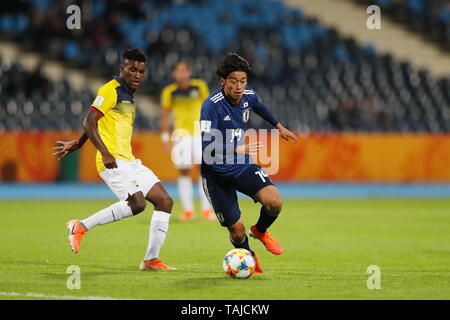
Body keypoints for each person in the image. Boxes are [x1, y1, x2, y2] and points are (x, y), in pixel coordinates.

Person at [53, 48, 176, 270]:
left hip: (129, 160)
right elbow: (89, 121)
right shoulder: (111, 90)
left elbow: (100, 120)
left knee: (165, 202)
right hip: (111, 161)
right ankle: (80, 226)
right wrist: (104, 152)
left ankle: (151, 260)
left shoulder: (129, 95)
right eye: (132, 70)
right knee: (137, 204)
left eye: (141, 71)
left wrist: (79, 143)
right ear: (122, 69)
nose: (137, 75)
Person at [200, 53, 298, 273]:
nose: (238, 86)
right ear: (222, 81)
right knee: (237, 231)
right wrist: (236, 148)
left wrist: (279, 126)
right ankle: (249, 259)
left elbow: (259, 106)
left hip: (241, 164)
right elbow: (206, 146)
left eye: (243, 81)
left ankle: (261, 231)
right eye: (233, 81)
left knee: (274, 202)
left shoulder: (248, 96)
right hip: (215, 173)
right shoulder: (211, 106)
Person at [160, 61, 214, 221]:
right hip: (181, 136)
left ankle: (206, 210)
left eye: (184, 70)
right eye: (178, 71)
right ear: (174, 74)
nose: (182, 74)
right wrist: (165, 138)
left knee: (205, 171)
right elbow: (164, 115)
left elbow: (210, 108)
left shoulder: (200, 87)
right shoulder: (170, 92)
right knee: (183, 172)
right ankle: (188, 210)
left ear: (189, 72)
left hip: (200, 134)